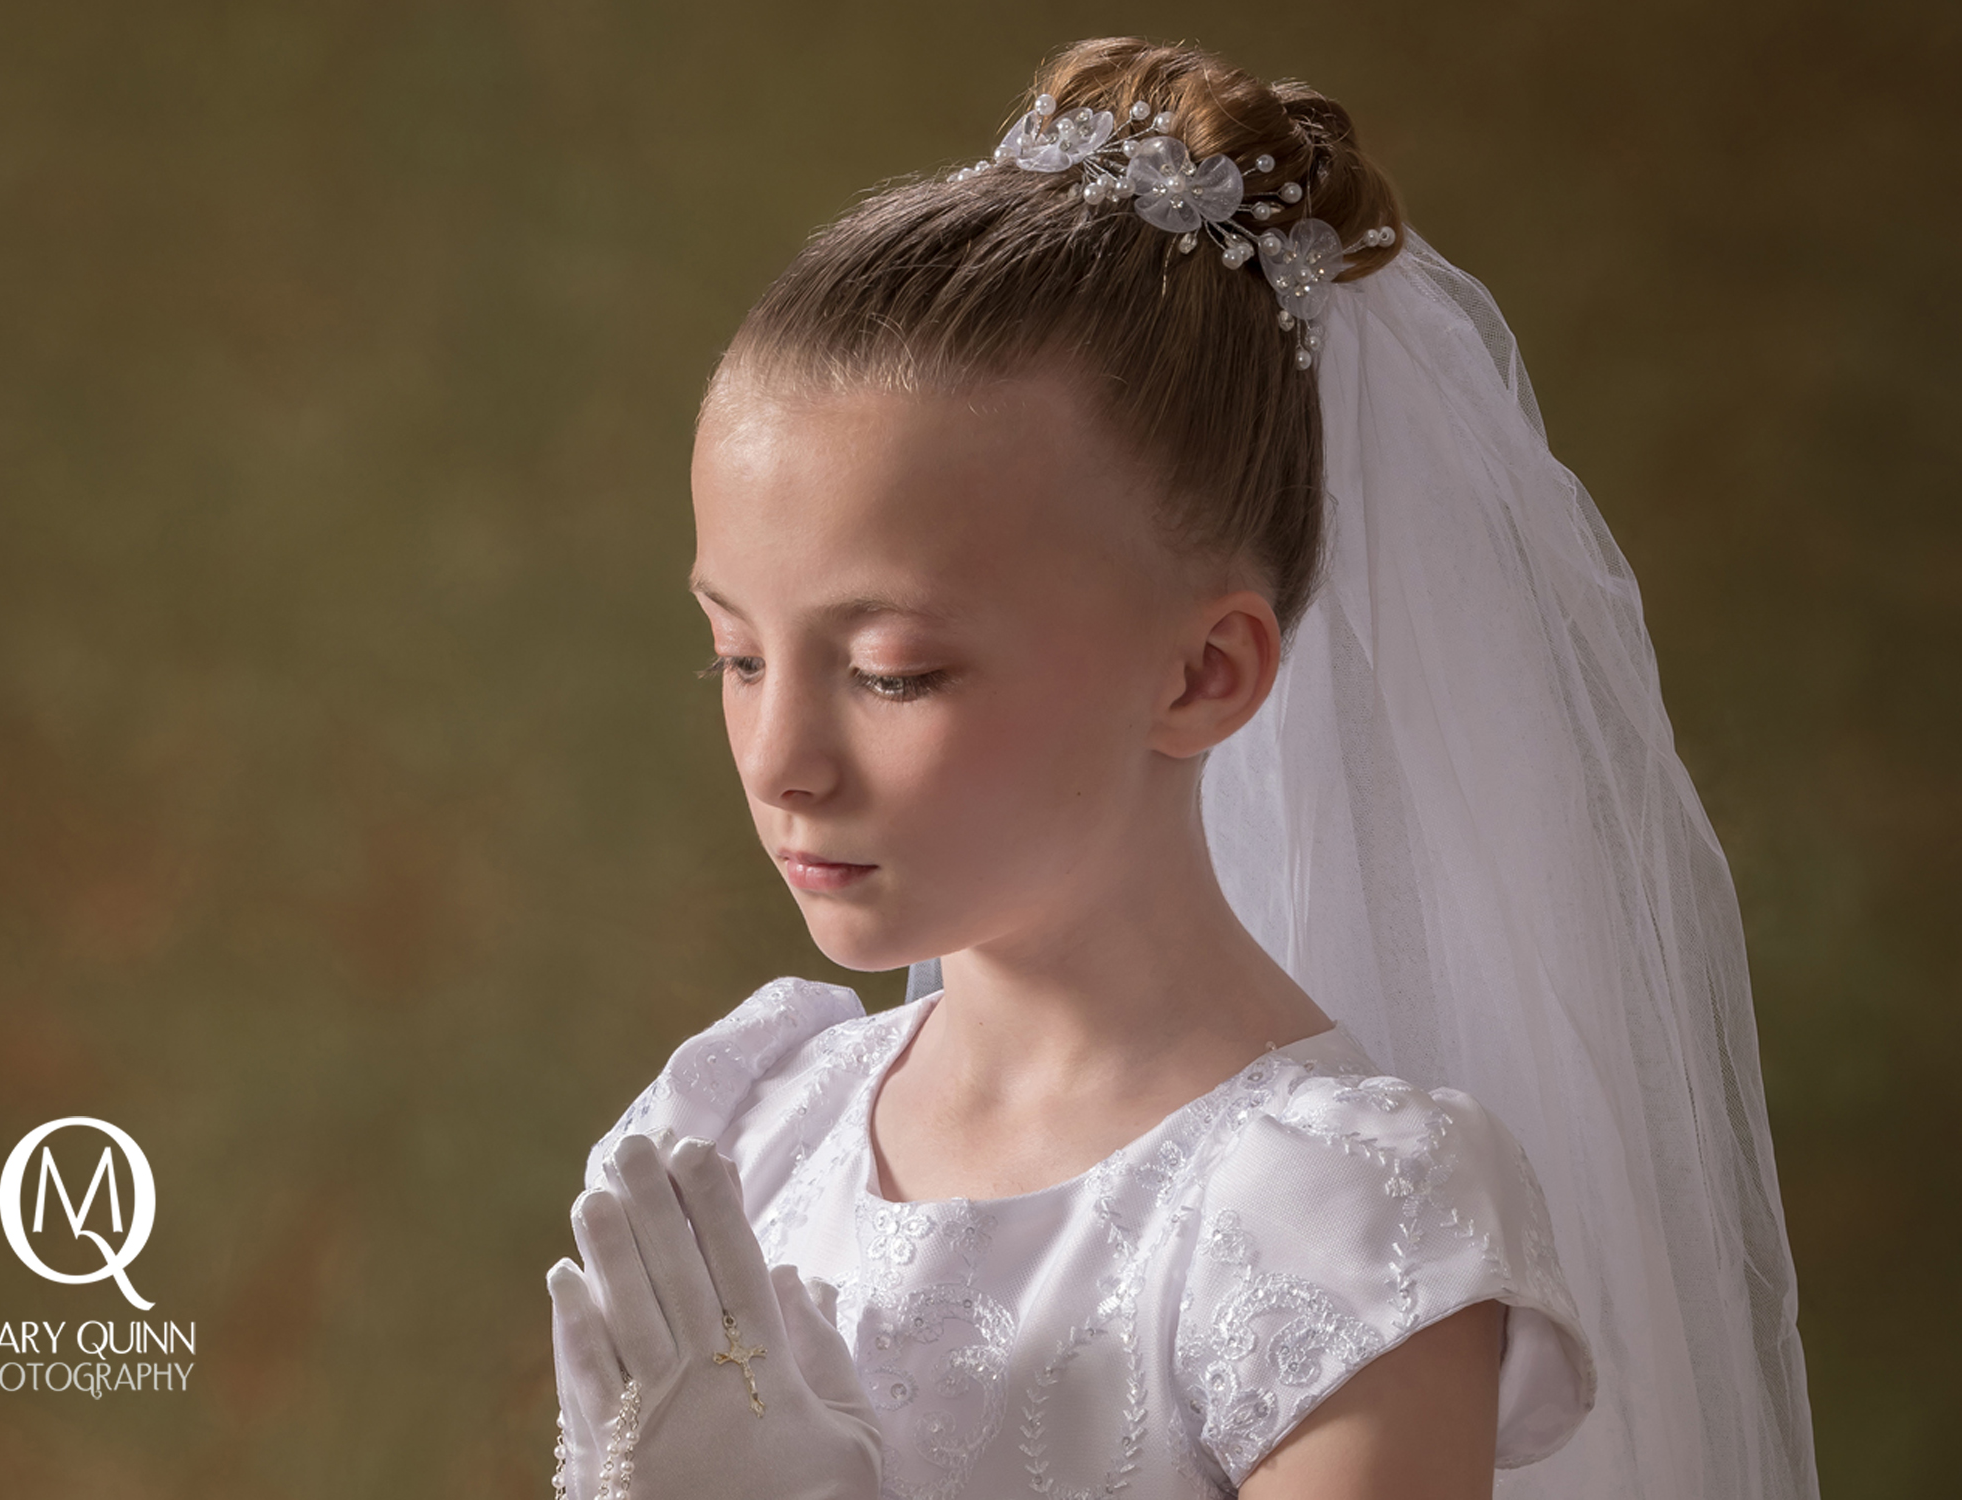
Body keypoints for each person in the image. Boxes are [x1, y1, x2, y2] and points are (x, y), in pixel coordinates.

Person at [544, 35, 1817, 1500]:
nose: (782, 763)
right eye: (737, 656)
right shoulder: (745, 1139)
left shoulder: (1333, 1231)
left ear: (1205, 674)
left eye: (894, 670)